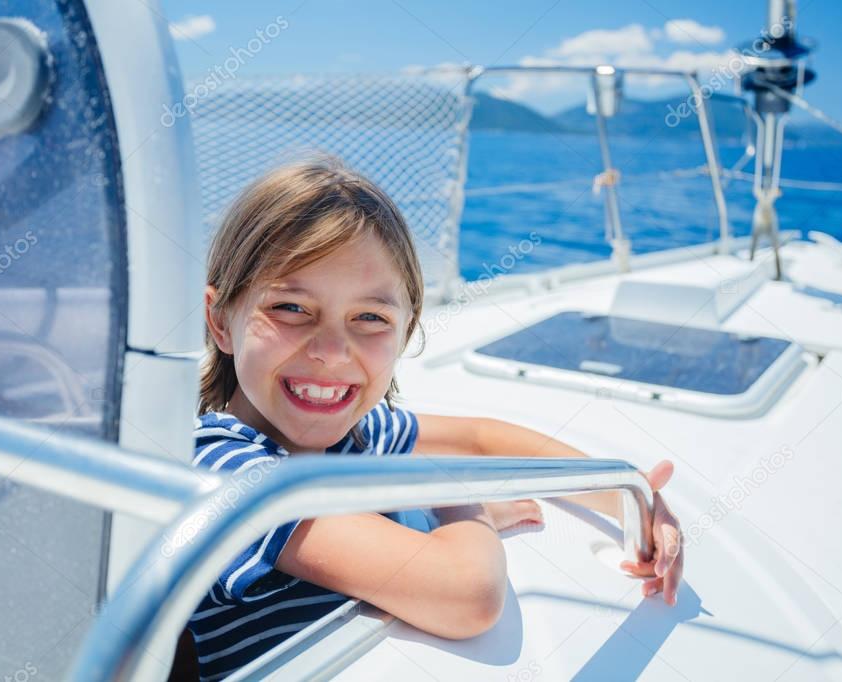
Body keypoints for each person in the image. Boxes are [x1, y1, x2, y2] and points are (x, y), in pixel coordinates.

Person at [188, 157, 683, 679]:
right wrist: (462, 502)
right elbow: (468, 594)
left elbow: (480, 440)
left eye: (370, 318)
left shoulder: (355, 434)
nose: (332, 351)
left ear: (406, 331)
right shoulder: (223, 468)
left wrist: (635, 501)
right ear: (221, 321)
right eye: (291, 308)